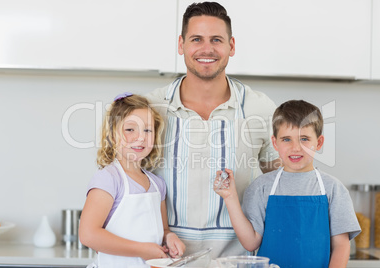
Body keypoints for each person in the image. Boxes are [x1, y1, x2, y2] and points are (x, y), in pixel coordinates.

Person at [146, 2, 280, 257]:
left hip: (238, 260)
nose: (206, 49)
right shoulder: (150, 108)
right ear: (181, 44)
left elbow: (281, 183)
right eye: (196, 39)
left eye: (216, 40)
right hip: (165, 260)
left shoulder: (259, 108)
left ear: (231, 46)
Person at [214, 100, 361, 268]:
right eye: (286, 139)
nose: (295, 148)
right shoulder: (260, 187)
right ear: (275, 143)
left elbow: (341, 246)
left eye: (304, 139)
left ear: (319, 143)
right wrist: (230, 197)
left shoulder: (333, 188)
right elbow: (251, 242)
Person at [79, 93, 185, 268]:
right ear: (113, 136)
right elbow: (88, 234)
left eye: (147, 130)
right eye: (130, 129)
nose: (141, 137)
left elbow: (162, 229)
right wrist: (141, 250)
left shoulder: (157, 185)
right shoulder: (109, 179)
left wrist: (169, 237)